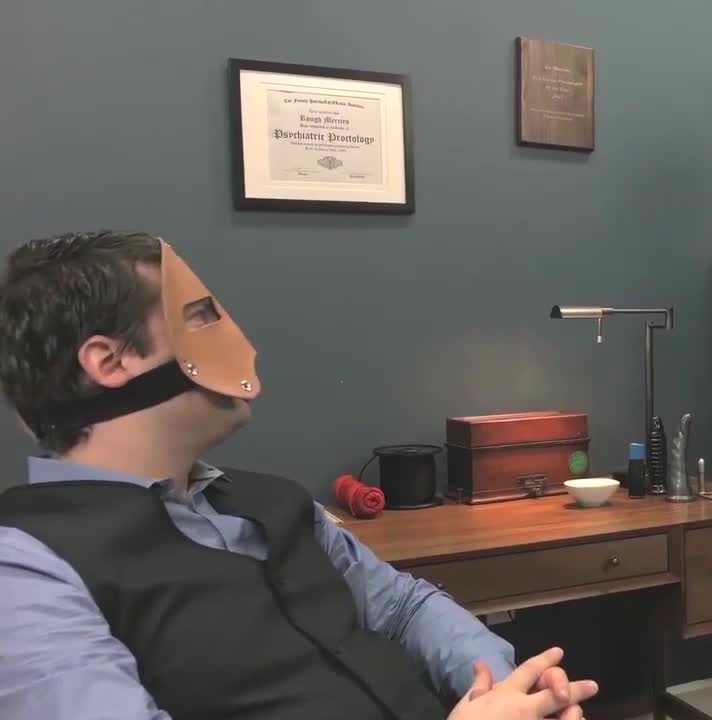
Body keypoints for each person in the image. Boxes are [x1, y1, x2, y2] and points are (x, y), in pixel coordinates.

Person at [0, 230, 598, 720]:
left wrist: (508, 685)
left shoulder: (273, 503)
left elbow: (402, 608)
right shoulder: (26, 572)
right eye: (199, 318)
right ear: (110, 362)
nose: (236, 339)